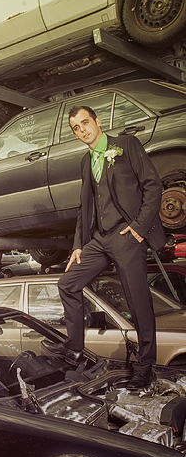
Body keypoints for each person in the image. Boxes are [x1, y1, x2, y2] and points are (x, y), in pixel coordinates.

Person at [46, 105, 165, 389]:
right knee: (68, 283)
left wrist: (138, 228)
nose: (81, 130)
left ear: (98, 122)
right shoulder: (86, 162)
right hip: (99, 239)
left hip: (126, 235)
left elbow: (153, 186)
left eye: (85, 123)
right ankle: (74, 348)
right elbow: (84, 208)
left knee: (138, 304)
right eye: (76, 127)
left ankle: (145, 365)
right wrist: (78, 245)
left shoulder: (126, 145)